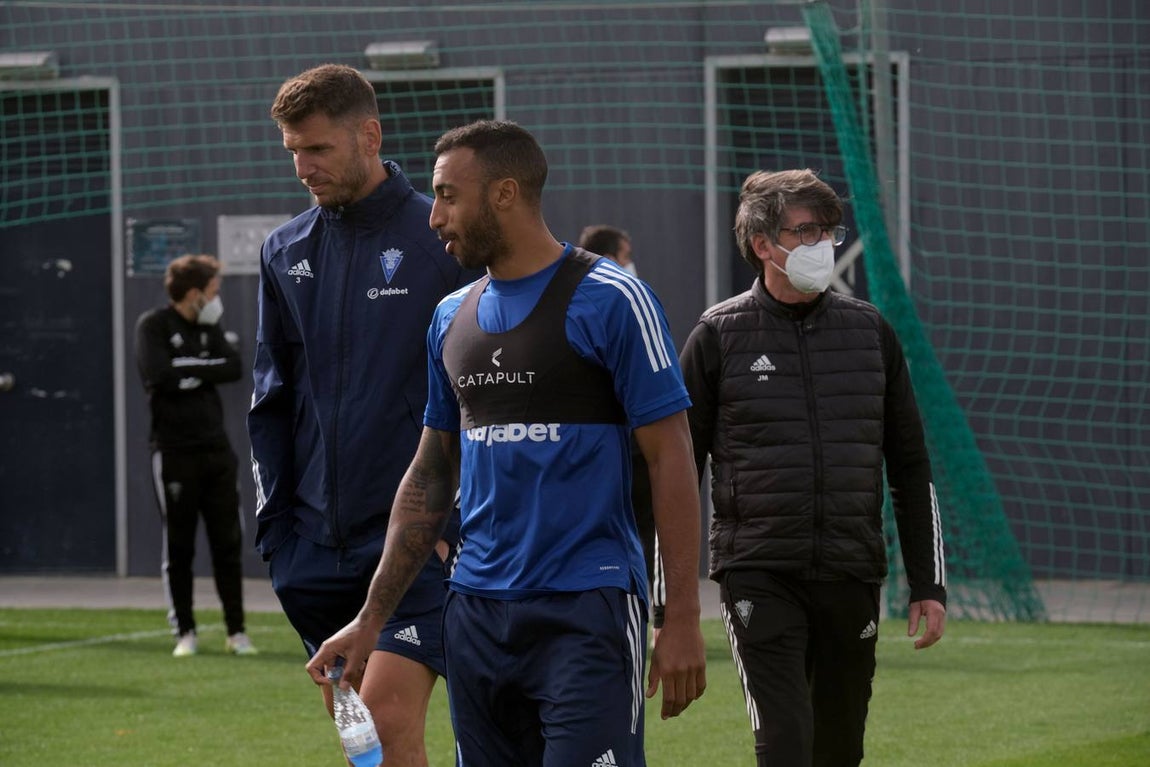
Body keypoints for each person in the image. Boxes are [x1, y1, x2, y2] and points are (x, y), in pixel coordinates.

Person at [306, 120, 707, 767]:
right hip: (475, 615)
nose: (434, 216)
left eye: (448, 195)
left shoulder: (613, 300)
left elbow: (672, 457)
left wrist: (681, 614)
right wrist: (370, 619)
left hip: (587, 608)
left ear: (505, 193)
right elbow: (431, 475)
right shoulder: (451, 317)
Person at [678, 169, 947, 767]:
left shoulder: (871, 332)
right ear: (762, 244)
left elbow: (910, 465)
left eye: (828, 231)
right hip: (758, 573)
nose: (821, 244)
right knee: (786, 745)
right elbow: (675, 472)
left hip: (851, 571)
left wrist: (928, 584)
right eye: (804, 232)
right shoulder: (717, 335)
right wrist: (669, 600)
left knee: (838, 749)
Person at [248, 64, 474, 766]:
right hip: (314, 549)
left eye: (317, 148)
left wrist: (452, 527)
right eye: (293, 150)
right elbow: (270, 398)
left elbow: (482, 393)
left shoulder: (441, 240)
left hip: (416, 540)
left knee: (386, 718)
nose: (302, 167)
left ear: (369, 136)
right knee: (364, 743)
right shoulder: (284, 251)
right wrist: (278, 534)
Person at [134, 253, 257, 658]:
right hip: (173, 452)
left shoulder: (209, 326)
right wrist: (202, 367)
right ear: (194, 293)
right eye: (213, 291)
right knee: (179, 546)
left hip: (216, 451)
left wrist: (188, 369)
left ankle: (237, 632)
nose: (217, 299)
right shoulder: (153, 325)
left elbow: (233, 367)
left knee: (228, 542)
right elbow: (158, 374)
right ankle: (185, 631)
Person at [577, 224, 659, 610]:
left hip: (632, 449)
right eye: (627, 257)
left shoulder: (619, 304)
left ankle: (644, 605)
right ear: (610, 258)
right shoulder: (607, 307)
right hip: (615, 451)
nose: (631, 265)